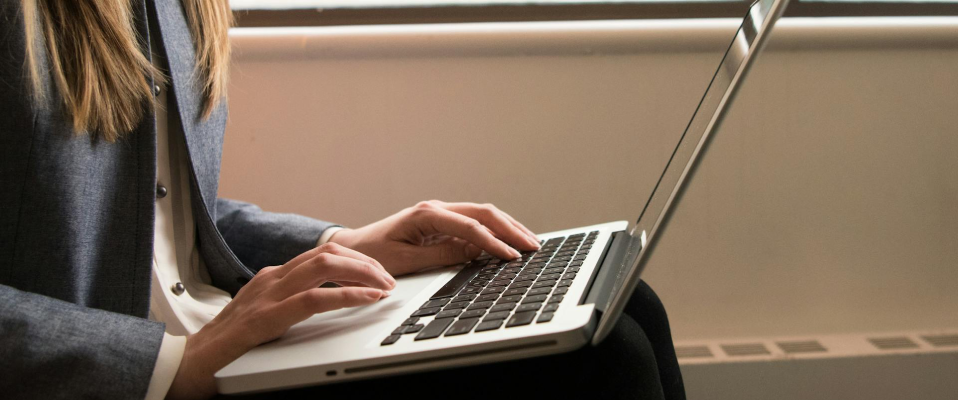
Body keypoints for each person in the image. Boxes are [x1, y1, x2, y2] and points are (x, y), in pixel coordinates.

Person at [0, 1, 685, 399]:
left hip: (221, 337)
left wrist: (337, 245)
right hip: (134, 371)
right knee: (608, 362)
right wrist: (168, 366)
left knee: (627, 303)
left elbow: (158, 225)